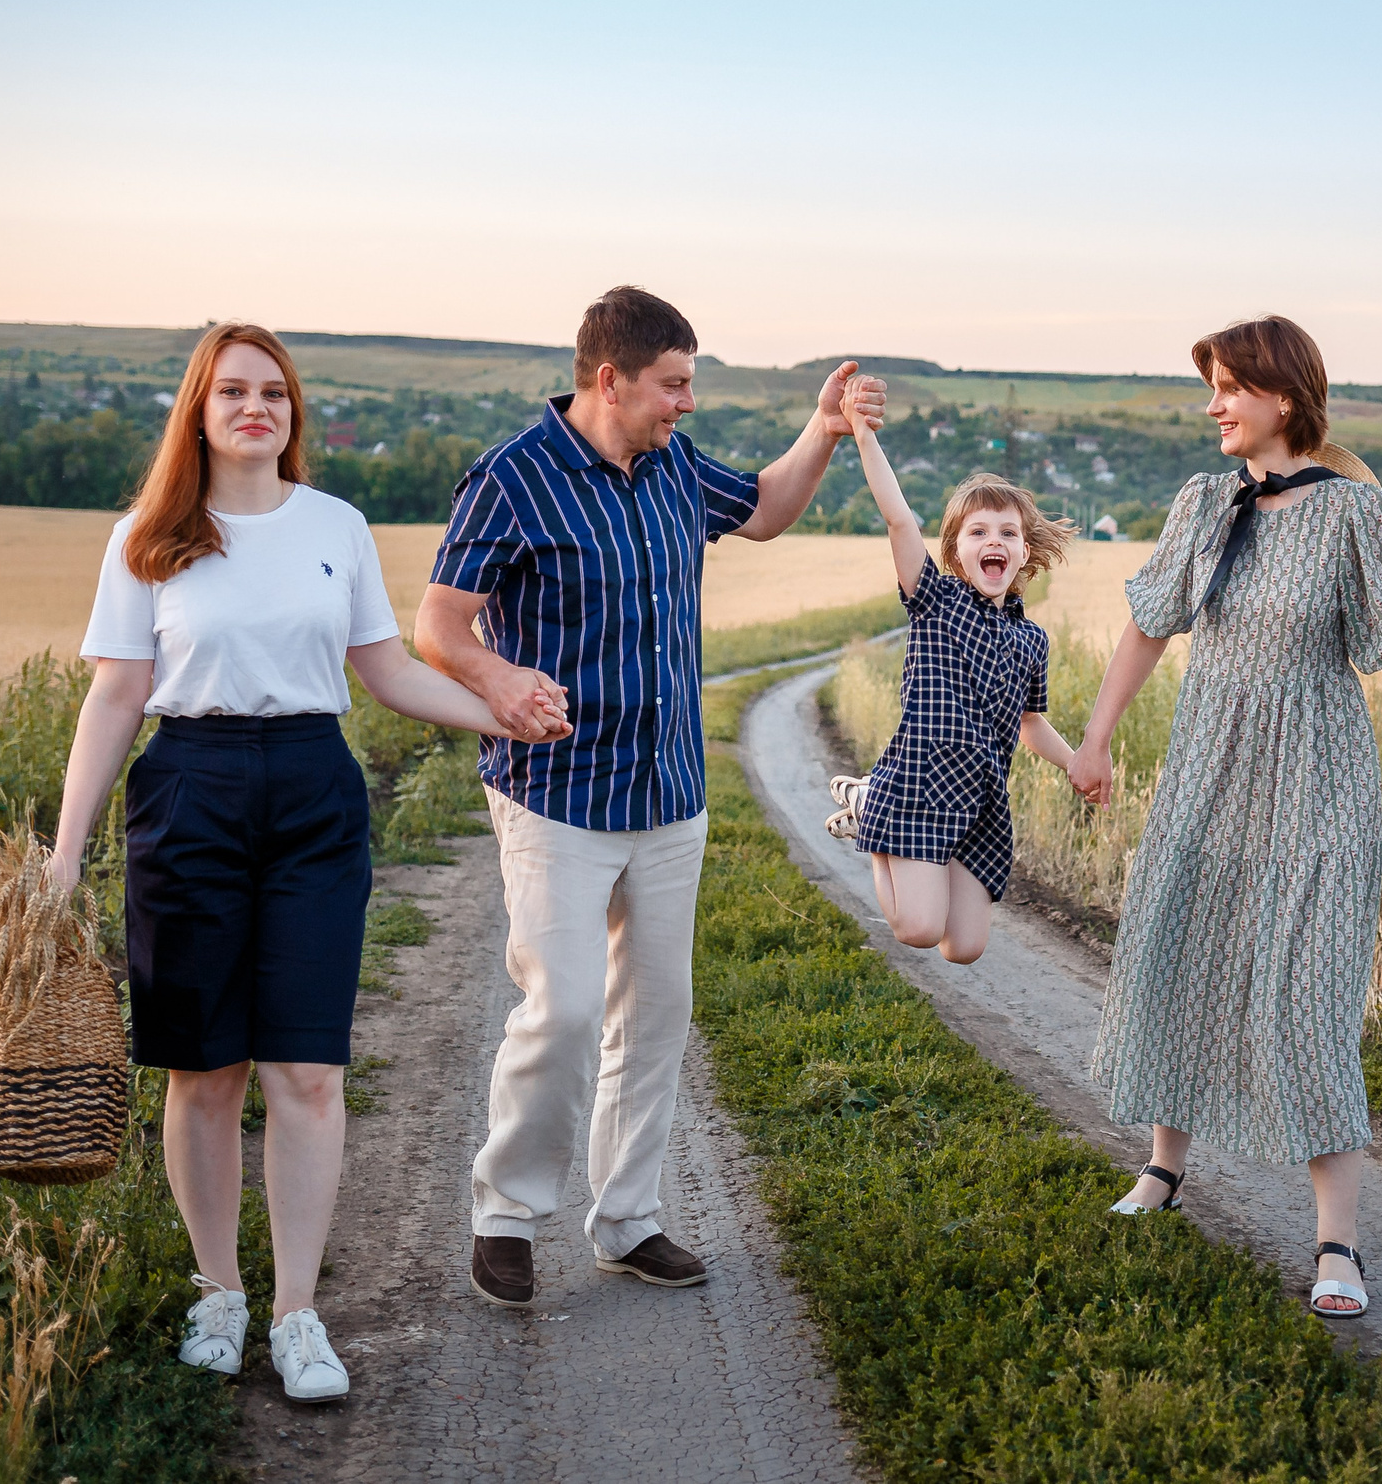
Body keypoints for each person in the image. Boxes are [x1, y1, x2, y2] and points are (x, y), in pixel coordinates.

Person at [49, 322, 515, 1402]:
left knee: (306, 1068)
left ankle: (298, 1313)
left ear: (293, 412)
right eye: (233, 391)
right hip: (189, 789)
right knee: (203, 1069)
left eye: (274, 391)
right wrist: (65, 852)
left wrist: (505, 715)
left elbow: (387, 670)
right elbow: (116, 696)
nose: (256, 407)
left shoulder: (335, 526)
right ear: (200, 411)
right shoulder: (146, 538)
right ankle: (218, 1292)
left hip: (312, 788)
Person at [414, 286, 885, 1310]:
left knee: (657, 1012)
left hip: (670, 789)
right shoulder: (514, 477)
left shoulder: (674, 466)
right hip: (558, 792)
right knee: (566, 1008)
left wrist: (822, 428)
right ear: (609, 378)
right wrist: (499, 679)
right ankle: (506, 1213)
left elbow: (765, 510)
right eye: (672, 385)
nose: (685, 403)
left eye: (688, 384)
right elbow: (438, 626)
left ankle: (627, 1220)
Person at [1068, 315, 1382, 1321]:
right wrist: (1095, 739)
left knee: (1307, 995)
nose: (1212, 406)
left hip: (1317, 785)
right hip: (1209, 772)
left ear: (1281, 396)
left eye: (1227, 388)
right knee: (1180, 954)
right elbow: (1148, 626)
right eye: (1209, 386)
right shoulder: (1202, 501)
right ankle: (1163, 1169)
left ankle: (1337, 1242)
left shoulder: (1353, 512)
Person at [824, 377, 1076, 964]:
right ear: (956, 551)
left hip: (980, 799)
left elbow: (1030, 723)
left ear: (1024, 552)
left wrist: (1076, 763)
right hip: (918, 785)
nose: (994, 541)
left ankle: (872, 808)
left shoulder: (1032, 640)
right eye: (978, 532)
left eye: (1008, 533)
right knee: (917, 929)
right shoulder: (934, 600)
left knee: (962, 947)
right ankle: (870, 808)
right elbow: (899, 520)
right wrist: (862, 433)